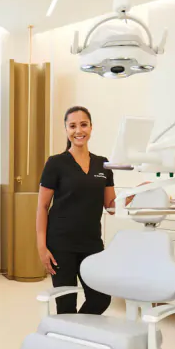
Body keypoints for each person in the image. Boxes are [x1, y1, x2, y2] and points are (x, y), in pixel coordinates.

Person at [36, 106, 117, 315]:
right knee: (65, 304)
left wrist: (136, 193)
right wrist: (41, 246)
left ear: (91, 128)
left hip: (91, 243)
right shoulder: (56, 163)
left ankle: (78, 331)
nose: (78, 130)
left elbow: (110, 206)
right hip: (61, 244)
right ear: (66, 129)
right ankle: (68, 341)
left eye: (83, 124)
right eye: (72, 126)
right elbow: (43, 206)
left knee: (101, 298)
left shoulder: (103, 164)